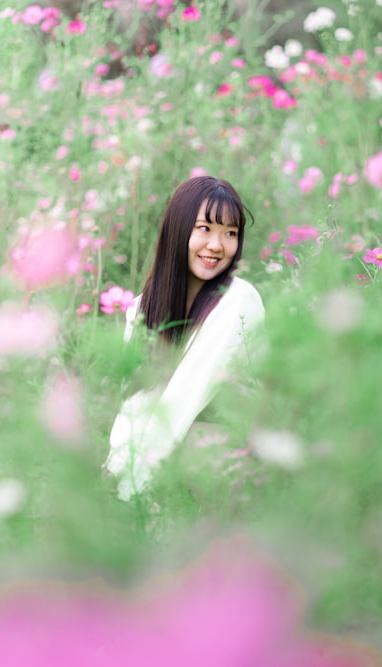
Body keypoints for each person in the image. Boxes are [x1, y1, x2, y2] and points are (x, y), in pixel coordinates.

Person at [105, 176, 265, 500]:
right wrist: (115, 464)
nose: (217, 245)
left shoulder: (238, 301)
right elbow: (135, 400)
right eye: (205, 228)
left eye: (230, 233)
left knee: (198, 444)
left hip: (242, 447)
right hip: (179, 445)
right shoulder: (142, 309)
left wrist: (129, 485)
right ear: (178, 230)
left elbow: (187, 393)